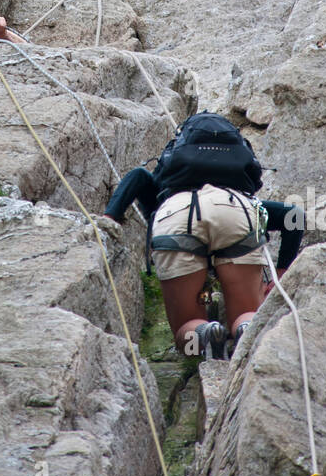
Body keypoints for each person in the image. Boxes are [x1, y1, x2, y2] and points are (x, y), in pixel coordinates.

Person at [101, 112, 304, 356]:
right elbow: (295, 215)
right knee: (247, 313)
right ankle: (245, 329)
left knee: (185, 327)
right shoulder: (241, 192)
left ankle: (204, 334)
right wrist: (281, 273)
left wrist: (109, 218)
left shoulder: (168, 184)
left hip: (177, 213)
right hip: (235, 210)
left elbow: (138, 176)